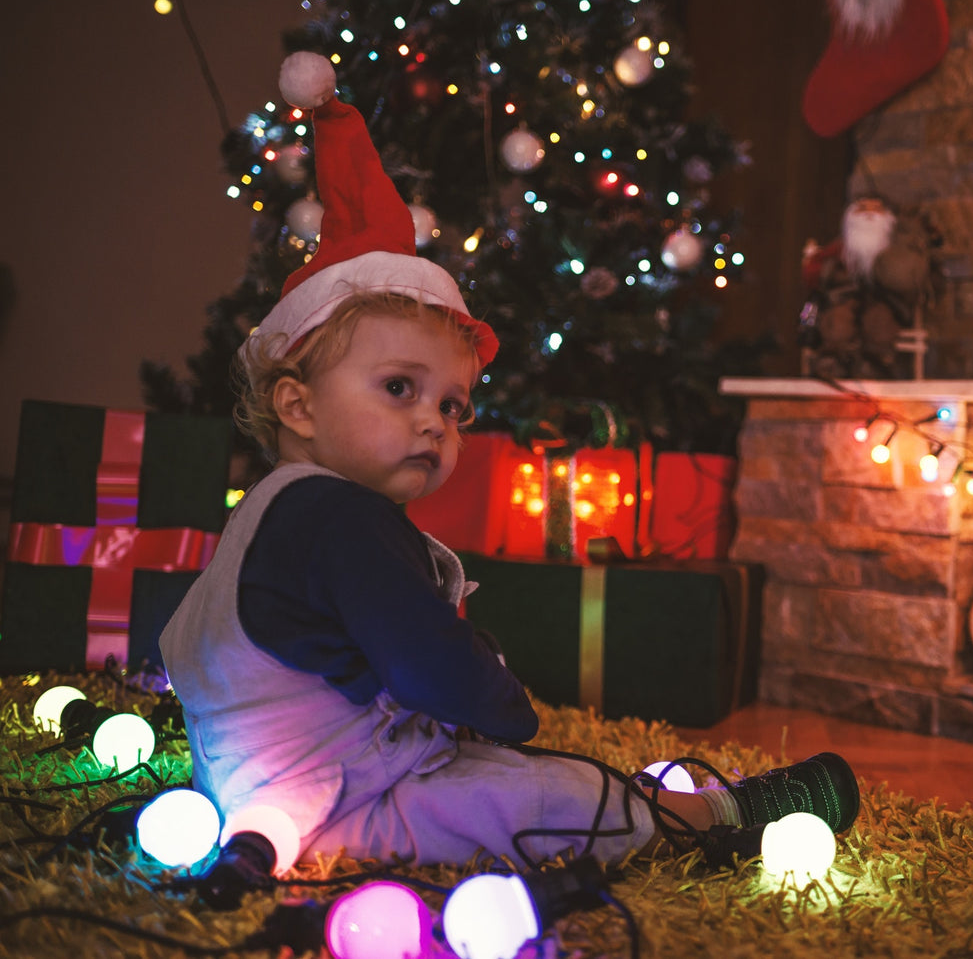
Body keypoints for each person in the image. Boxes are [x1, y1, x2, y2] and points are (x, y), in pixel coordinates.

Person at [157, 53, 859, 873]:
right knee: (547, 797)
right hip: (325, 806)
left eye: (452, 406)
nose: (434, 423)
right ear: (298, 405)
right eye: (398, 388)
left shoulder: (277, 510)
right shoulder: (334, 515)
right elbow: (429, 665)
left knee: (500, 775)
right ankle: (713, 816)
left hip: (283, 779)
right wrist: (503, 705)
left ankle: (669, 801)